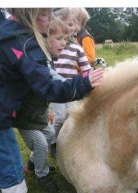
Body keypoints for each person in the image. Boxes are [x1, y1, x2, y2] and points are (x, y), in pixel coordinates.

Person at [0, 8, 104, 193]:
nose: (50, 19)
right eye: (46, 14)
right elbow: (49, 85)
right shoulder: (25, 44)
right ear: (33, 15)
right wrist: (83, 83)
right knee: (10, 162)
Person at [13, 16, 71, 193]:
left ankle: (33, 163)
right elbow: (53, 77)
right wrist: (75, 86)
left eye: (66, 39)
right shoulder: (38, 60)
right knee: (41, 144)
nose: (63, 44)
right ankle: (42, 176)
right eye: (59, 39)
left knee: (50, 134)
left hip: (38, 116)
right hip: (25, 118)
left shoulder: (46, 57)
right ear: (43, 38)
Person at [49, 8, 93, 159]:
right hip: (56, 88)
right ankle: (53, 142)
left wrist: (91, 79)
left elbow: (86, 68)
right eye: (66, 24)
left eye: (72, 24)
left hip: (73, 87)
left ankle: (69, 144)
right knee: (59, 118)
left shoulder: (77, 48)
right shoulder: (51, 46)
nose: (69, 28)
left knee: (72, 117)